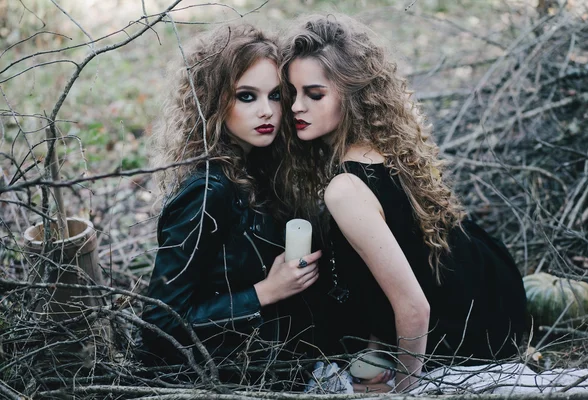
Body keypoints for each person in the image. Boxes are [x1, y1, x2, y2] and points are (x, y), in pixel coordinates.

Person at [279, 15, 527, 393]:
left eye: (314, 94)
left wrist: (405, 389)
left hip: (474, 325)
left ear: (353, 95)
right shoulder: (389, 148)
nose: (297, 107)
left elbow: (415, 307)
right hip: (493, 288)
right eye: (292, 93)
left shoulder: (345, 188)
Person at [141, 24, 322, 383]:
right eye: (247, 96)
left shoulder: (262, 165)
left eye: (275, 96)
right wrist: (265, 292)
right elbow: (159, 324)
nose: (267, 111)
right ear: (214, 100)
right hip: (219, 377)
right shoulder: (208, 191)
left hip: (273, 362)